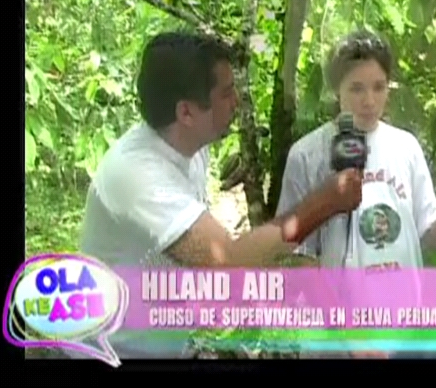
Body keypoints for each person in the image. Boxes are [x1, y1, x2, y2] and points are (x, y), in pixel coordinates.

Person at [75, 32, 363, 359]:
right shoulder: (138, 174)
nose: (236, 101)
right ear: (186, 113)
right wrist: (326, 201)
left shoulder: (190, 146)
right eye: (226, 93)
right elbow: (226, 263)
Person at [276, 30, 436, 358]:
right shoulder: (308, 155)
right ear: (336, 89)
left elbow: (428, 238)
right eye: (356, 88)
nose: (369, 100)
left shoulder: (405, 147)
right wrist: (352, 341)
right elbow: (301, 260)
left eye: (379, 87)